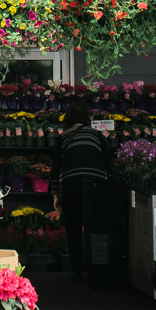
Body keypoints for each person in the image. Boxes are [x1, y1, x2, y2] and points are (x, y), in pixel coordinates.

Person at [54, 106, 110, 282]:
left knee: (74, 228)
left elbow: (56, 168)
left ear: (67, 119)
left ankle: (77, 271)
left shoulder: (62, 137)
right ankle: (98, 269)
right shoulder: (97, 135)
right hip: (96, 185)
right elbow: (107, 163)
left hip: (72, 185)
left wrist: (56, 194)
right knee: (96, 228)